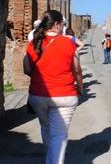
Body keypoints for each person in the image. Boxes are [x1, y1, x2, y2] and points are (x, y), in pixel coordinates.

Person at [25, 10, 83, 164]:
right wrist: (81, 87)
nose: (63, 27)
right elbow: (77, 69)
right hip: (64, 95)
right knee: (58, 135)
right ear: (57, 25)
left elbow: (26, 69)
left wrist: (40, 77)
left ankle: (49, 157)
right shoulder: (68, 42)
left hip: (38, 95)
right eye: (63, 24)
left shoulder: (33, 43)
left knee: (46, 129)